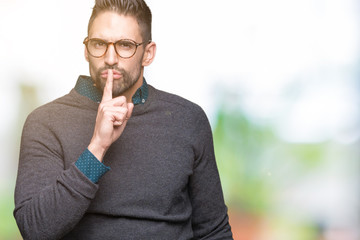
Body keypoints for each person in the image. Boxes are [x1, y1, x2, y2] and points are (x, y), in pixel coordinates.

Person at [14, 0, 233, 239]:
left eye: (125, 45)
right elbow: (35, 230)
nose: (110, 58)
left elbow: (214, 231)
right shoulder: (46, 122)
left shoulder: (188, 120)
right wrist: (97, 146)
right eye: (99, 44)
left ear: (148, 54)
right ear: (86, 50)